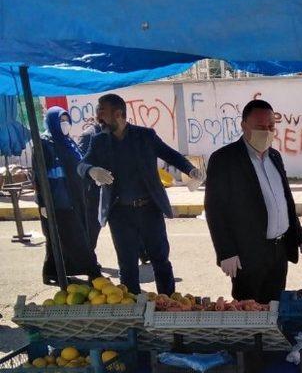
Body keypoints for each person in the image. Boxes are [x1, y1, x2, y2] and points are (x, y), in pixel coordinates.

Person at [78, 93, 201, 295]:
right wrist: (91, 171)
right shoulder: (99, 141)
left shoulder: (145, 136)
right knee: (127, 266)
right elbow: (82, 165)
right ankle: (132, 308)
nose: (98, 116)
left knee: (160, 260)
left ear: (118, 114)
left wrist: (190, 170)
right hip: (120, 213)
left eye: (102, 111)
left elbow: (170, 154)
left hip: (149, 209)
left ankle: (167, 304)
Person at [204, 99, 302, 303]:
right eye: (260, 127)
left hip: (278, 251)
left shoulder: (275, 157)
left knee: (274, 306)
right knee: (248, 311)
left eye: (271, 127)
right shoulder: (224, 160)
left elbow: (285, 200)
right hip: (247, 253)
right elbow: (215, 209)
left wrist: (299, 235)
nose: (267, 132)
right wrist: (226, 252)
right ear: (244, 126)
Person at [34, 106, 102, 285]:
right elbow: (39, 175)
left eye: (66, 120)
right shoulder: (44, 143)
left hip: (75, 197)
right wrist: (42, 202)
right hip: (58, 200)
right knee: (77, 237)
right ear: (52, 122)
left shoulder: (67, 141)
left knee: (58, 238)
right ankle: (92, 271)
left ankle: (51, 271)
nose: (64, 124)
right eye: (60, 120)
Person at [78, 120, 104, 252]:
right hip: (94, 188)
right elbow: (81, 161)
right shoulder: (89, 134)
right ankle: (88, 254)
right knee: (93, 224)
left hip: (113, 186)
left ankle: (142, 252)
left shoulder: (114, 132)